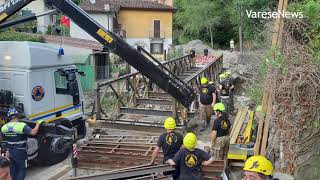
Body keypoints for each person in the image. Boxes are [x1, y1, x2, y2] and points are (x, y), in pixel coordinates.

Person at [1, 108, 44, 180]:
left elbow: (2, 139)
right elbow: (33, 132)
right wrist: (38, 123)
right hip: (20, 152)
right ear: (17, 116)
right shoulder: (22, 125)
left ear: (9, 117)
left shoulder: (4, 127)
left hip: (9, 151)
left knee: (12, 169)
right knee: (21, 169)